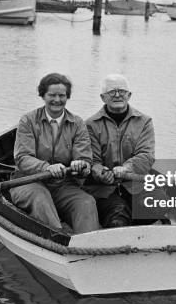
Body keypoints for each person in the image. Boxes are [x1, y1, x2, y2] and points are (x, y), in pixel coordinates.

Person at [11, 73, 100, 234]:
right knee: (41, 198)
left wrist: (81, 165)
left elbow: (85, 159)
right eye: (52, 95)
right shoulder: (28, 121)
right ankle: (57, 240)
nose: (57, 100)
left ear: (67, 97)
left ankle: (89, 247)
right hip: (27, 182)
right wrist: (46, 167)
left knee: (86, 202)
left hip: (63, 185)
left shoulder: (78, 123)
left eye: (62, 95)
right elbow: (22, 158)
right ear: (43, 95)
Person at [86, 74, 155, 227]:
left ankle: (127, 218)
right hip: (103, 189)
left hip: (134, 184)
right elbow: (92, 161)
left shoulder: (144, 122)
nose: (117, 95)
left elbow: (146, 156)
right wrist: (101, 173)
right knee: (117, 214)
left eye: (122, 91)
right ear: (103, 97)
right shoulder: (90, 124)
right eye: (112, 91)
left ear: (129, 95)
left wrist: (126, 169)